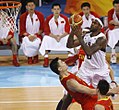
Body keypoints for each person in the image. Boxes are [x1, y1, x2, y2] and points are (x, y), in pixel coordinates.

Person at [67, 18, 111, 88]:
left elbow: (89, 52)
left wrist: (79, 37)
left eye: (95, 23)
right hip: (86, 68)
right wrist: (73, 32)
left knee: (100, 93)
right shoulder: (86, 35)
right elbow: (69, 45)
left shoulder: (102, 38)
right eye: (92, 22)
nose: (92, 24)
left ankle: (112, 88)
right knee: (78, 89)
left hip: (99, 69)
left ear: (100, 27)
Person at [39, 3, 74, 67]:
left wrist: (60, 36)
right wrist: (55, 37)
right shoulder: (48, 19)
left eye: (58, 9)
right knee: (46, 38)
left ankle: (70, 58)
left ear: (60, 10)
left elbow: (67, 31)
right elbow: (46, 31)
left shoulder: (65, 18)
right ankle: (46, 58)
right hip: (52, 37)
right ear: (52, 10)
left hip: (62, 37)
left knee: (69, 37)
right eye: (55, 9)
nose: (56, 11)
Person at [19, 0, 44, 64]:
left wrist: (35, 35)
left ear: (35, 6)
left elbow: (42, 28)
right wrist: (28, 35)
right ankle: (29, 57)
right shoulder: (22, 17)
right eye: (29, 6)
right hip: (26, 35)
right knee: (27, 41)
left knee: (36, 42)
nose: (31, 7)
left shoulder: (40, 15)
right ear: (26, 7)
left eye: (32, 5)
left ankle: (36, 56)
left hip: (37, 35)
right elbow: (22, 30)